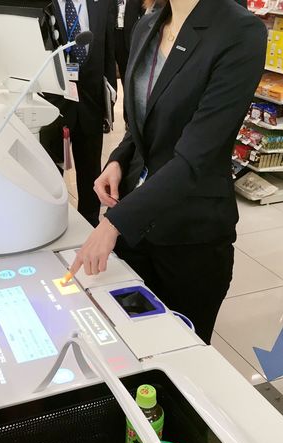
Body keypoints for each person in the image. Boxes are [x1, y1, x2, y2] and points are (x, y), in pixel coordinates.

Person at [68, 0, 266, 344]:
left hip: (190, 237)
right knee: (130, 345)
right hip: (136, 230)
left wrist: (114, 222)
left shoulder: (240, 31)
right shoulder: (148, 24)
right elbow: (140, 123)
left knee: (178, 358)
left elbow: (196, 156)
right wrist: (117, 158)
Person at [40, 0, 117, 227]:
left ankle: (90, 224)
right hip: (54, 104)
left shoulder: (102, 4)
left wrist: (109, 102)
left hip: (91, 103)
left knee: (91, 170)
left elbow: (108, 52)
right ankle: (51, 224)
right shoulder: (42, 5)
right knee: (51, 172)